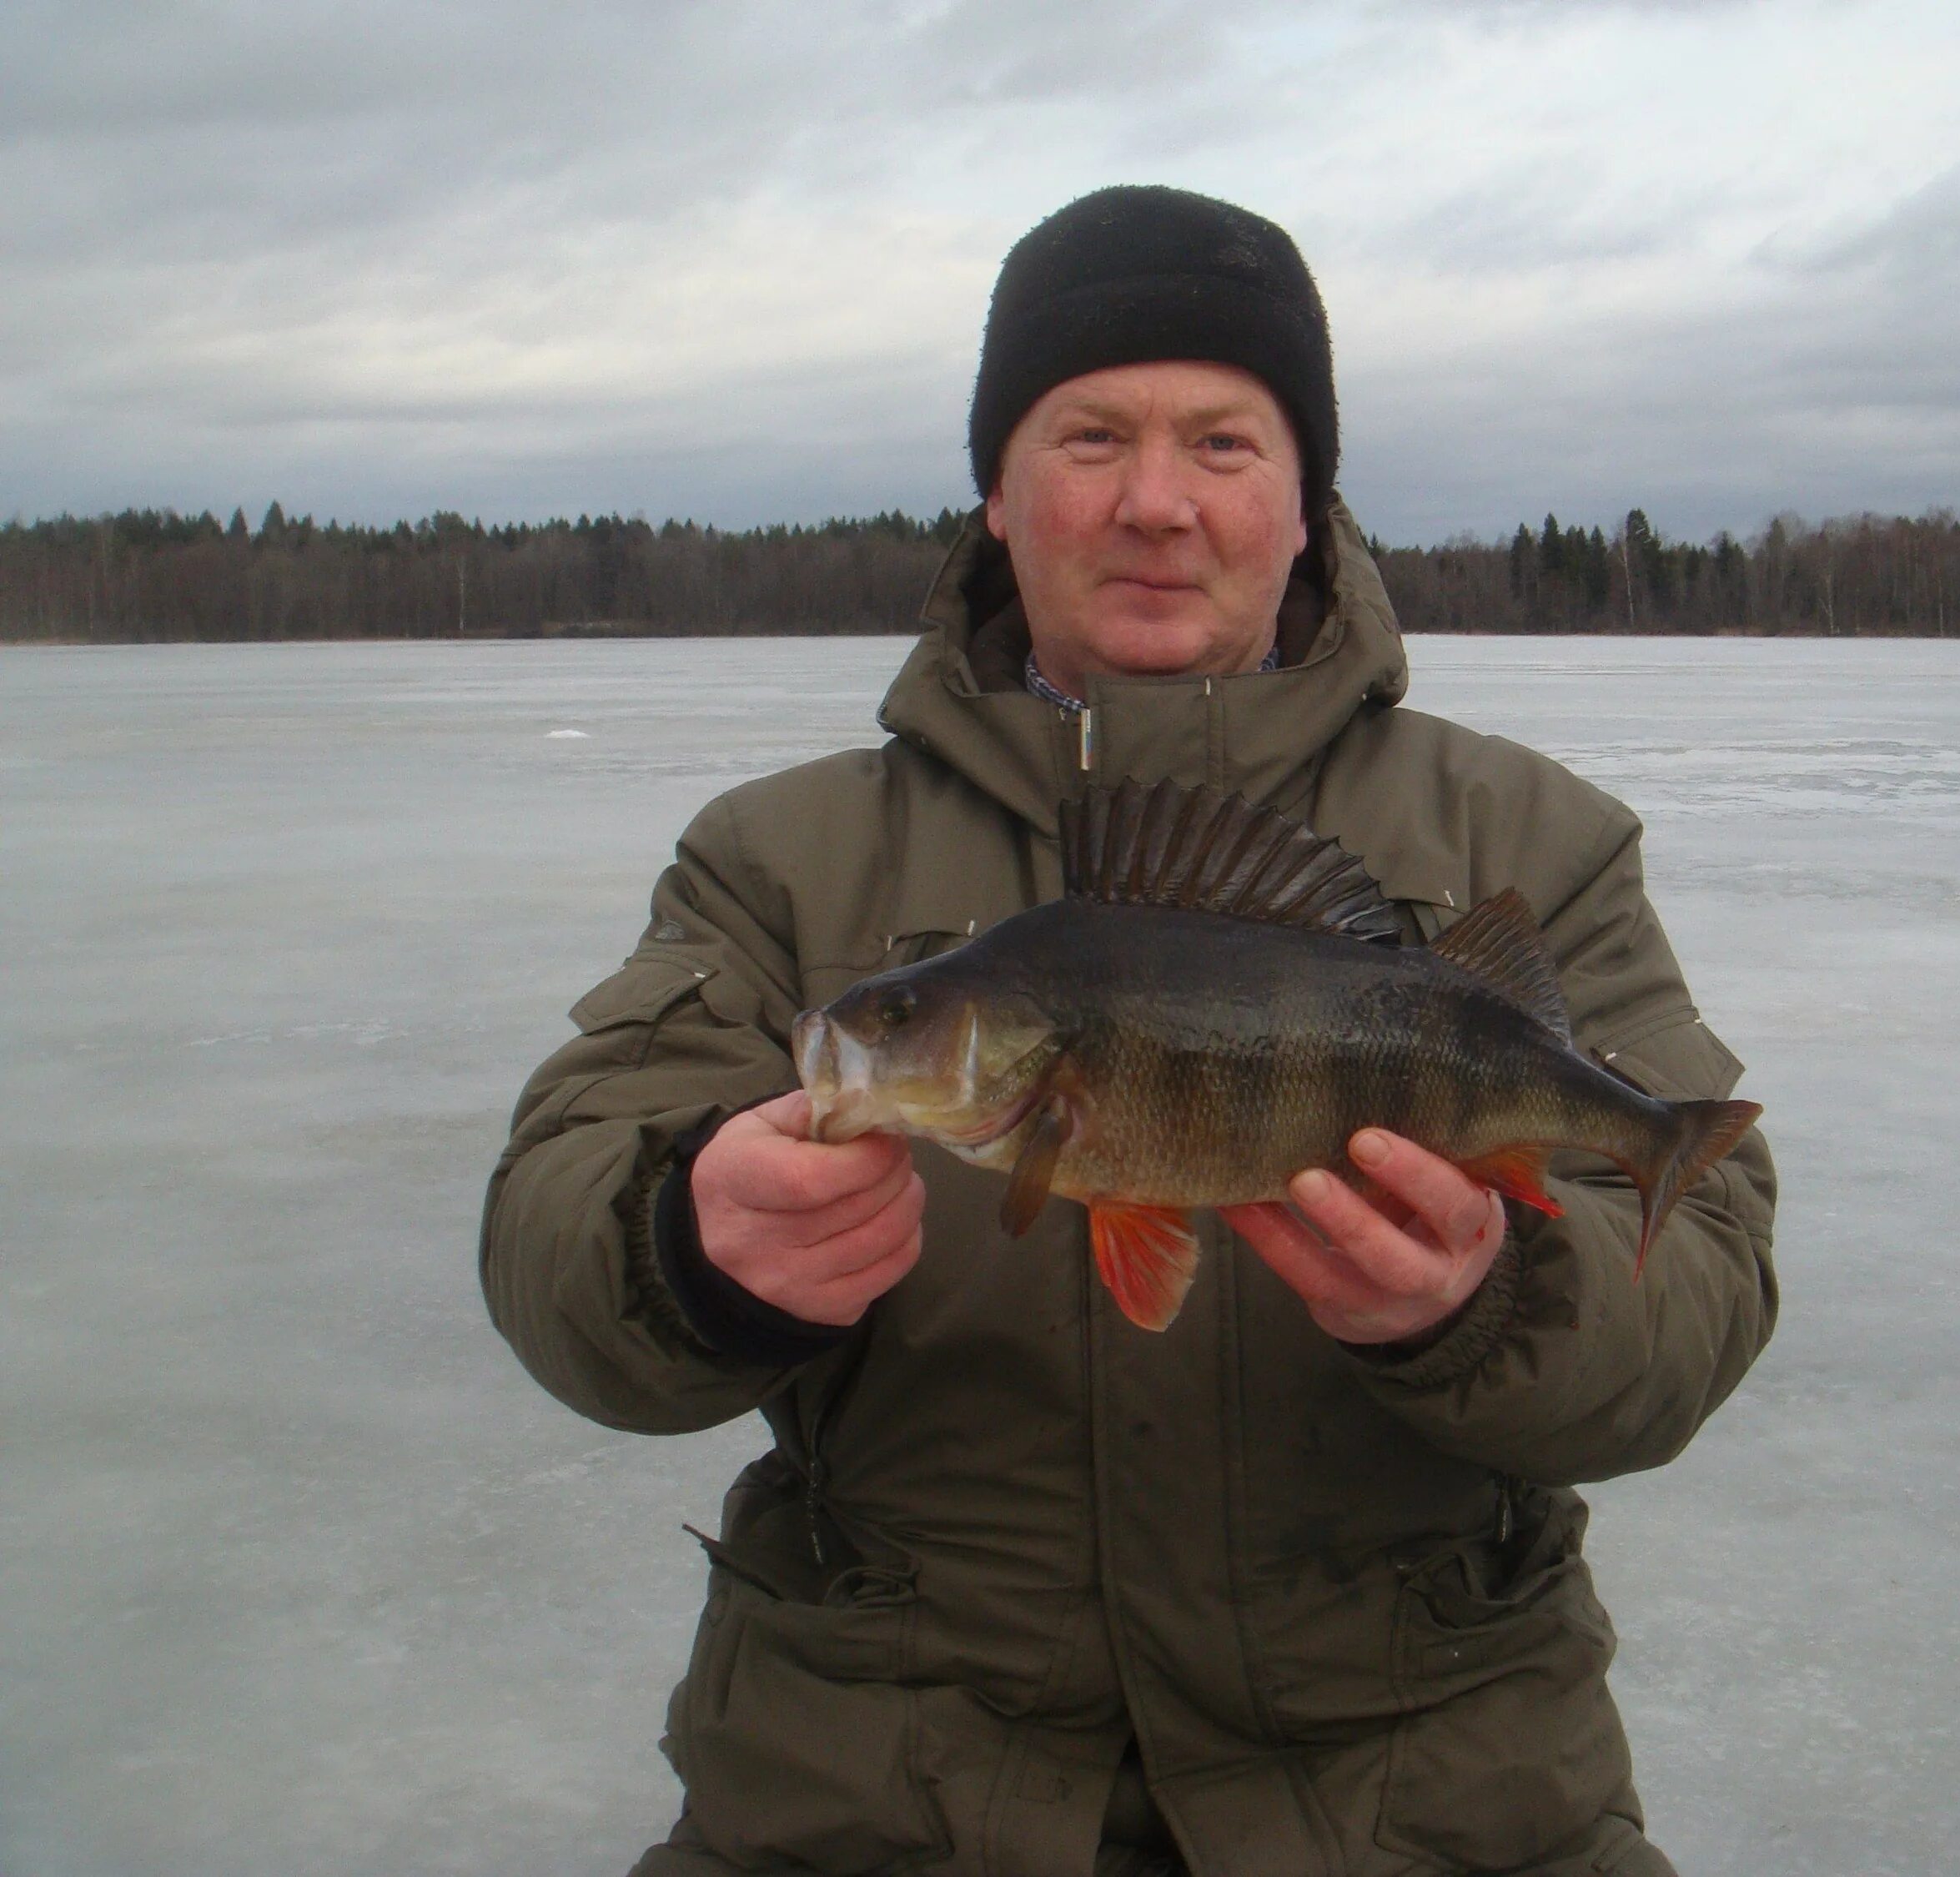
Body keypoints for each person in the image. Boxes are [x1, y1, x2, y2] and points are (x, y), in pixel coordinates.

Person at [483, 185, 1777, 1877]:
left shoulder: (1531, 843)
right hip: (871, 1807)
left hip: (1436, 1805)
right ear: (998, 499)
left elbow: (1704, 1296)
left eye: (1226, 445)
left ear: (1306, 507)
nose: (1156, 502)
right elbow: (548, 1240)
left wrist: (1489, 1305)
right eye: (1089, 435)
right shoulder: (777, 863)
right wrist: (689, 1251)